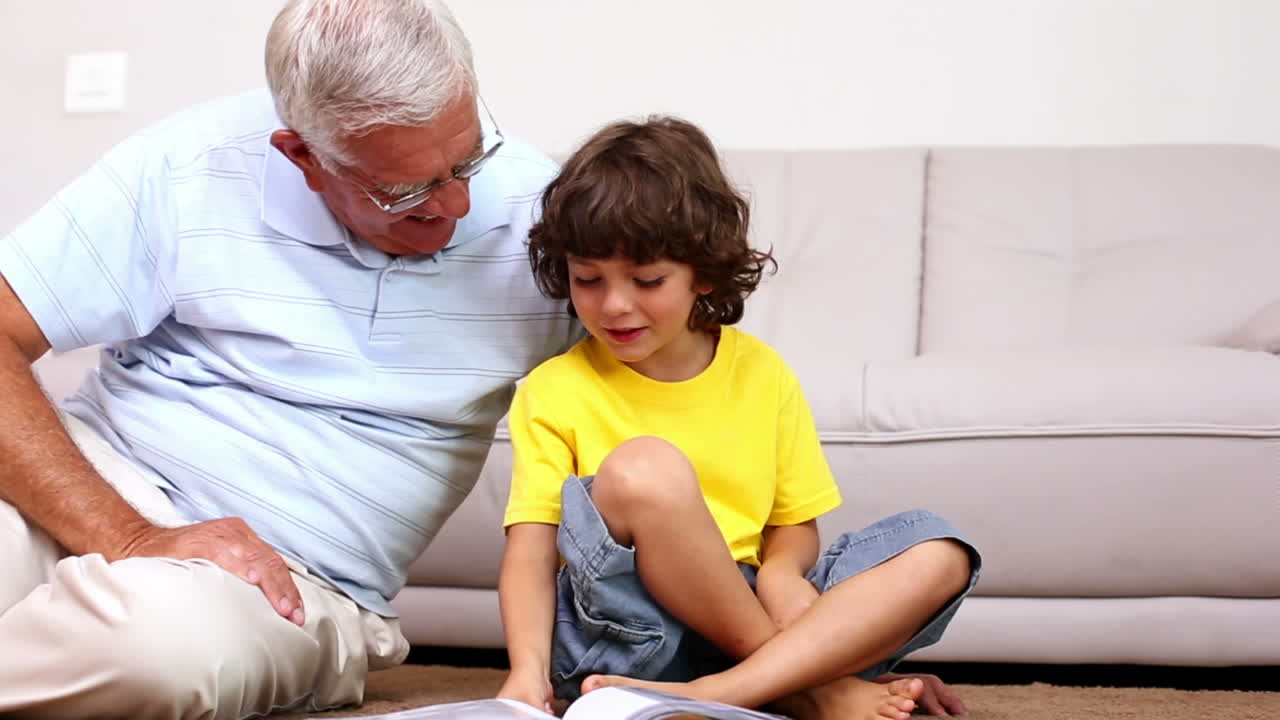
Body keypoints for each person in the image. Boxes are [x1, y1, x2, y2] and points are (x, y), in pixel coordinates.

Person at [0, 1, 579, 717]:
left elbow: (677, 381)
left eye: (468, 160)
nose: (458, 204)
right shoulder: (192, 162)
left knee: (163, 652)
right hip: (99, 484)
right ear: (302, 156)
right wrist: (128, 535)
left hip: (294, 577)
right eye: (405, 190)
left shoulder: (547, 220)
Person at [496, 116, 982, 720]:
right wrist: (524, 672)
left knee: (940, 551)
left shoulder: (762, 372)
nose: (614, 304)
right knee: (644, 468)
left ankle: (724, 692)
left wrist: (781, 571)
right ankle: (809, 685)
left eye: (647, 280)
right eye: (587, 280)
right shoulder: (555, 389)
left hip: (752, 599)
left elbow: (794, 526)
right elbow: (531, 550)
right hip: (627, 631)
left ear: (701, 270)